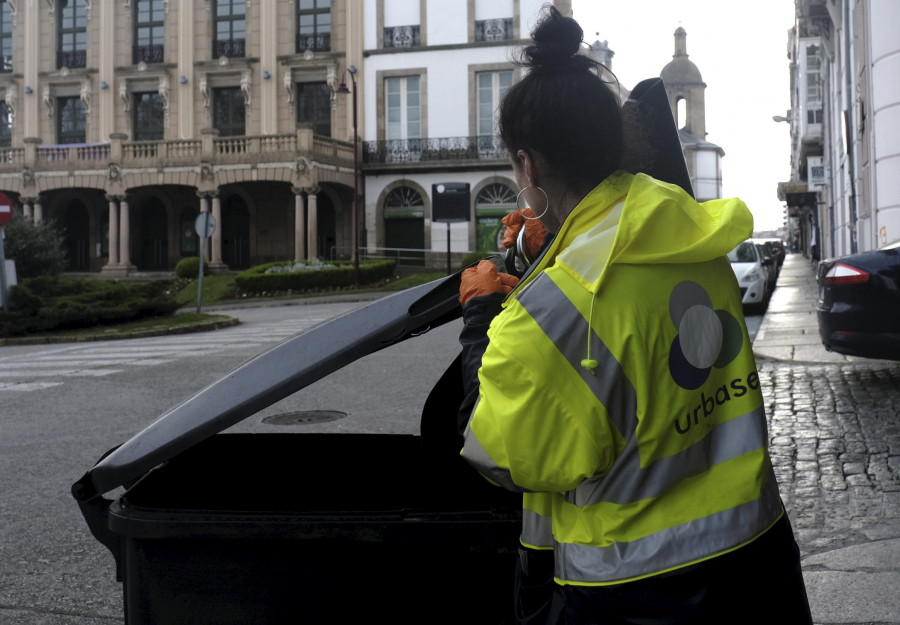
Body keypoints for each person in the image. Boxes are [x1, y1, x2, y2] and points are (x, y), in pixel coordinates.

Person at [456, 7, 812, 625]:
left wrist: (481, 314)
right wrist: (550, 250)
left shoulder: (548, 313)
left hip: (635, 595)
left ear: (528, 166)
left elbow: (497, 453)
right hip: (758, 565)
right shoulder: (692, 240)